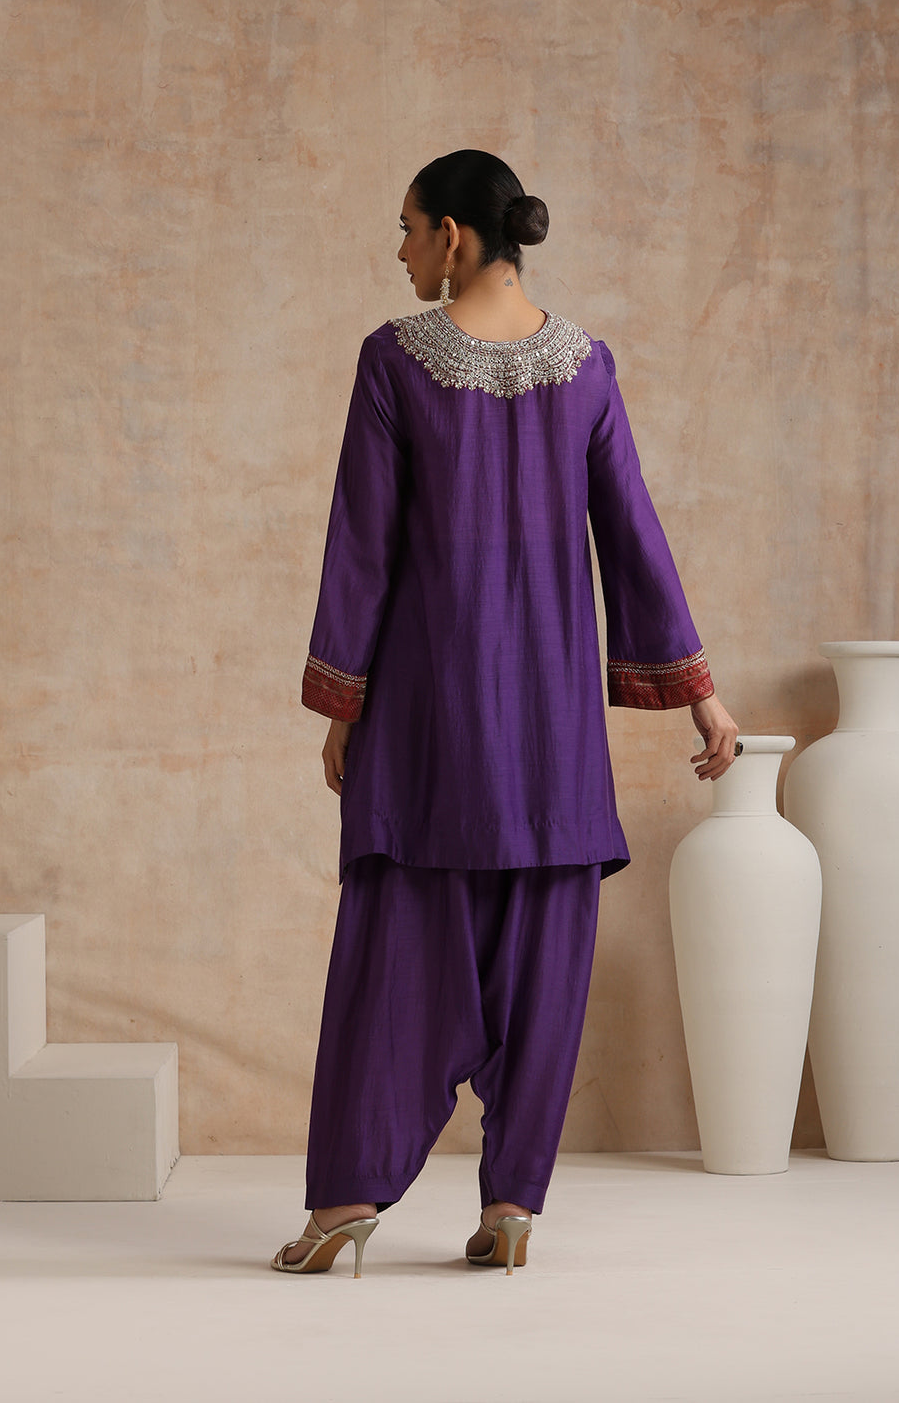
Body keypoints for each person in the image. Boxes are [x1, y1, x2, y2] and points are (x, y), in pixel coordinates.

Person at [271, 149, 739, 1279]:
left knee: (397, 945)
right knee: (543, 954)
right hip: (550, 727)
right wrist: (702, 695)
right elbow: (634, 534)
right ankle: (513, 1205)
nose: (399, 251)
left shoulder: (393, 361)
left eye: (406, 227)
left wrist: (343, 703)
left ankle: (345, 1203)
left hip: (428, 716)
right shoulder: (587, 367)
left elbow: (362, 546)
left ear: (453, 238)